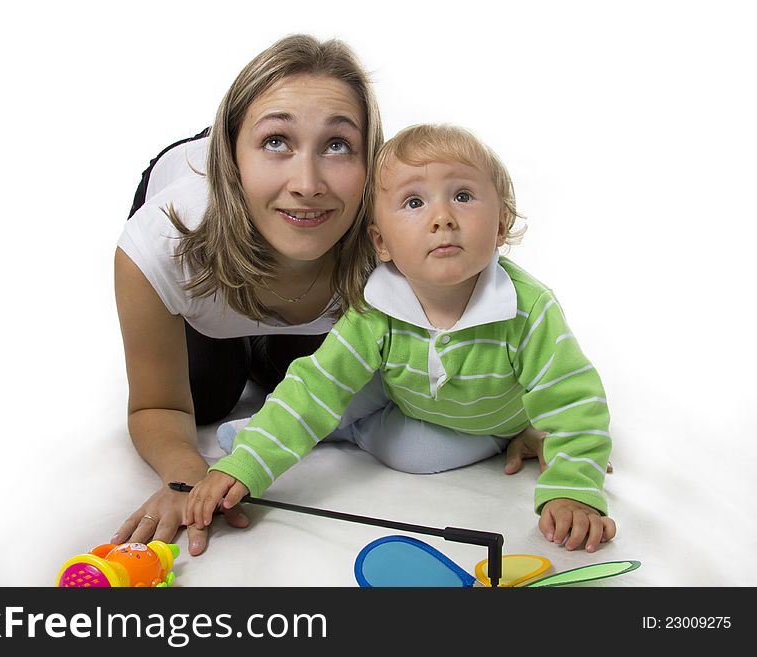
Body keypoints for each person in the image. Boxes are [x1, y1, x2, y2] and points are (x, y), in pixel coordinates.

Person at [113, 35, 544, 557]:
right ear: (229, 155)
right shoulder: (161, 239)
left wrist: (521, 415)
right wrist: (188, 478)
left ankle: (267, 332)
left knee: (313, 382)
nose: (308, 182)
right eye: (276, 141)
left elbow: (493, 314)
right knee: (207, 397)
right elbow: (156, 403)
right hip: (209, 234)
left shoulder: (391, 235)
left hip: (320, 259)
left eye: (338, 145)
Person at [185, 124, 616, 553]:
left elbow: (574, 402)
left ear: (501, 226)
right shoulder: (377, 304)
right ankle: (269, 440)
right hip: (397, 384)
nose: (442, 217)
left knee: (412, 455)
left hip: (474, 420)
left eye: (462, 196)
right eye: (414, 202)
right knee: (330, 392)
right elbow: (315, 384)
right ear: (382, 242)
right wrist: (245, 466)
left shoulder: (527, 309)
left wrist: (572, 489)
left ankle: (347, 432)